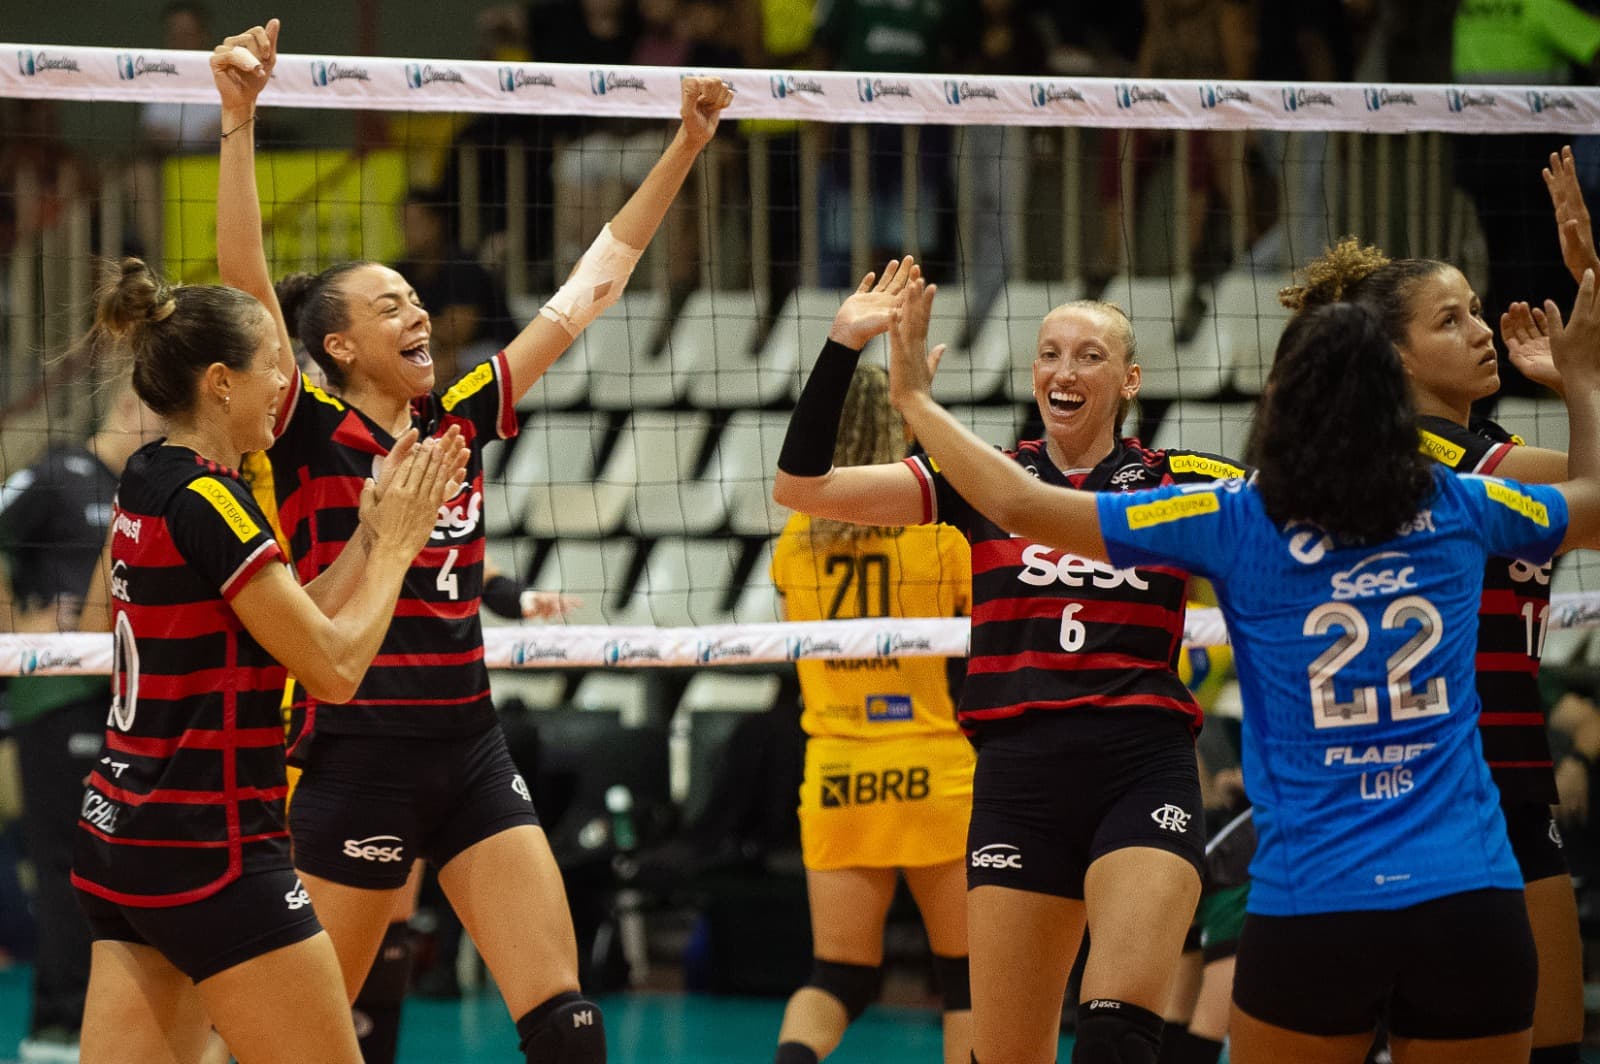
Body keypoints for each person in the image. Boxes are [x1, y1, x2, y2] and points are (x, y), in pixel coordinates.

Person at [880, 267, 1600, 1064]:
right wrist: (1582, 382)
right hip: (1466, 887)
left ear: (1279, 404)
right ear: (1401, 407)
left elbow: (1020, 504)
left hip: (1315, 897)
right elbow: (1596, 503)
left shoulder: (1240, 520)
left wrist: (915, 400)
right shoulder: (1463, 504)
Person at [211, 21, 732, 1062]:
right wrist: (238, 121)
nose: (418, 311)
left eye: (415, 299)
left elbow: (591, 287)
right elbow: (242, 281)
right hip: (358, 752)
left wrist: (685, 143)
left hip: (470, 744)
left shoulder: (460, 416)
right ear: (336, 345)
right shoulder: (310, 427)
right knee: (305, 1038)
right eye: (389, 305)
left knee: (567, 1019)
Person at [773, 256, 1249, 1064]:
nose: (1065, 371)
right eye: (1050, 354)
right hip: (1018, 782)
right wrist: (843, 344)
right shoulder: (983, 479)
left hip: (1141, 767)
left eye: (1090, 356)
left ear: (1129, 380)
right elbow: (801, 486)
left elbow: (1309, 508)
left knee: (1115, 1034)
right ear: (1032, 374)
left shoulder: (1179, 481)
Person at [68, 258, 466, 1064]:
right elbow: (334, 671)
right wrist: (399, 550)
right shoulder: (215, 504)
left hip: (124, 834)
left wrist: (368, 532)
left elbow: (284, 622)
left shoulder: (150, 477)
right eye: (273, 368)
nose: (288, 385)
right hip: (212, 850)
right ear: (221, 383)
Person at [1283, 223, 1587, 1064]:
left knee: (1549, 1041)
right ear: (1398, 358)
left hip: (1504, 769)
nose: (1483, 331)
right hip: (1440, 779)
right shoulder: (1431, 460)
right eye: (1450, 320)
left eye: (1476, 310)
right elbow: (1595, 499)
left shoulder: (1490, 452)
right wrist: (1580, 378)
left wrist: (1573, 382)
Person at [768, 359, 975, 1064]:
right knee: (967, 980)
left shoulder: (796, 540)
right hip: (935, 772)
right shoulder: (937, 534)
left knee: (840, 977)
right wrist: (920, 406)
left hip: (838, 776)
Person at [0, 381, 159, 1064]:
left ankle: (120, 1028)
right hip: (60, 697)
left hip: (133, 702)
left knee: (127, 868)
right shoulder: (57, 471)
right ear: (127, 406)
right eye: (159, 414)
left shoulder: (159, 489)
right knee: (67, 865)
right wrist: (13, 625)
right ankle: (58, 1028)